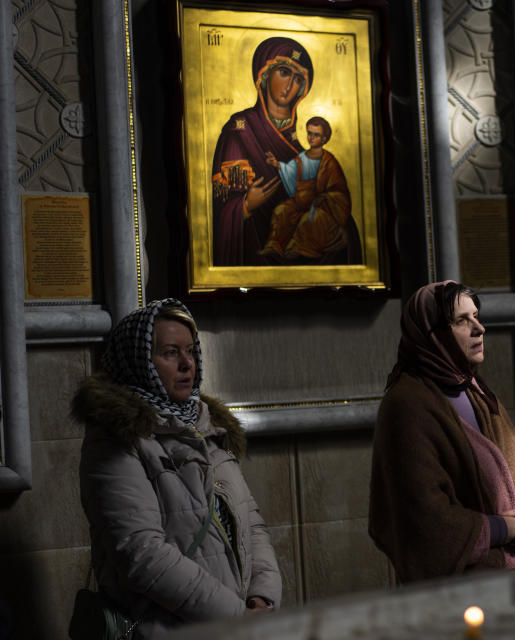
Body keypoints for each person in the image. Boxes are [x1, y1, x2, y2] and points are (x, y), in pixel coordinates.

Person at [72, 299, 281, 637]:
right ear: (139, 361)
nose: (187, 363)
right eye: (171, 352)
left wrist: (263, 598)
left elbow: (251, 525)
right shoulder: (116, 439)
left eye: (190, 351)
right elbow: (142, 554)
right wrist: (235, 616)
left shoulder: (208, 428)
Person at [368, 281, 515, 582]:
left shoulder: (475, 389)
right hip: (465, 594)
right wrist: (513, 528)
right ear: (432, 334)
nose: (479, 328)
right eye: (461, 321)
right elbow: (423, 521)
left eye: (477, 316)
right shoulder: (407, 405)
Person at [210, 37, 360, 266]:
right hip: (254, 255)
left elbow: (329, 193)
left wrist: (339, 228)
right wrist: (246, 205)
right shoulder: (240, 129)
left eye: (298, 78)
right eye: (283, 72)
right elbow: (221, 208)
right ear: (264, 74)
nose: (290, 85)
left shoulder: (305, 146)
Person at [261, 116, 355, 262]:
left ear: (324, 139)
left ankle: (297, 248)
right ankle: (275, 245)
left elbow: (339, 191)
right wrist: (278, 165)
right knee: (281, 211)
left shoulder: (329, 162)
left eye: (316, 135)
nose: (311, 138)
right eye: (309, 133)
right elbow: (291, 172)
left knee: (309, 219)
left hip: (322, 207)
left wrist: (325, 198)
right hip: (300, 202)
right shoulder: (301, 158)